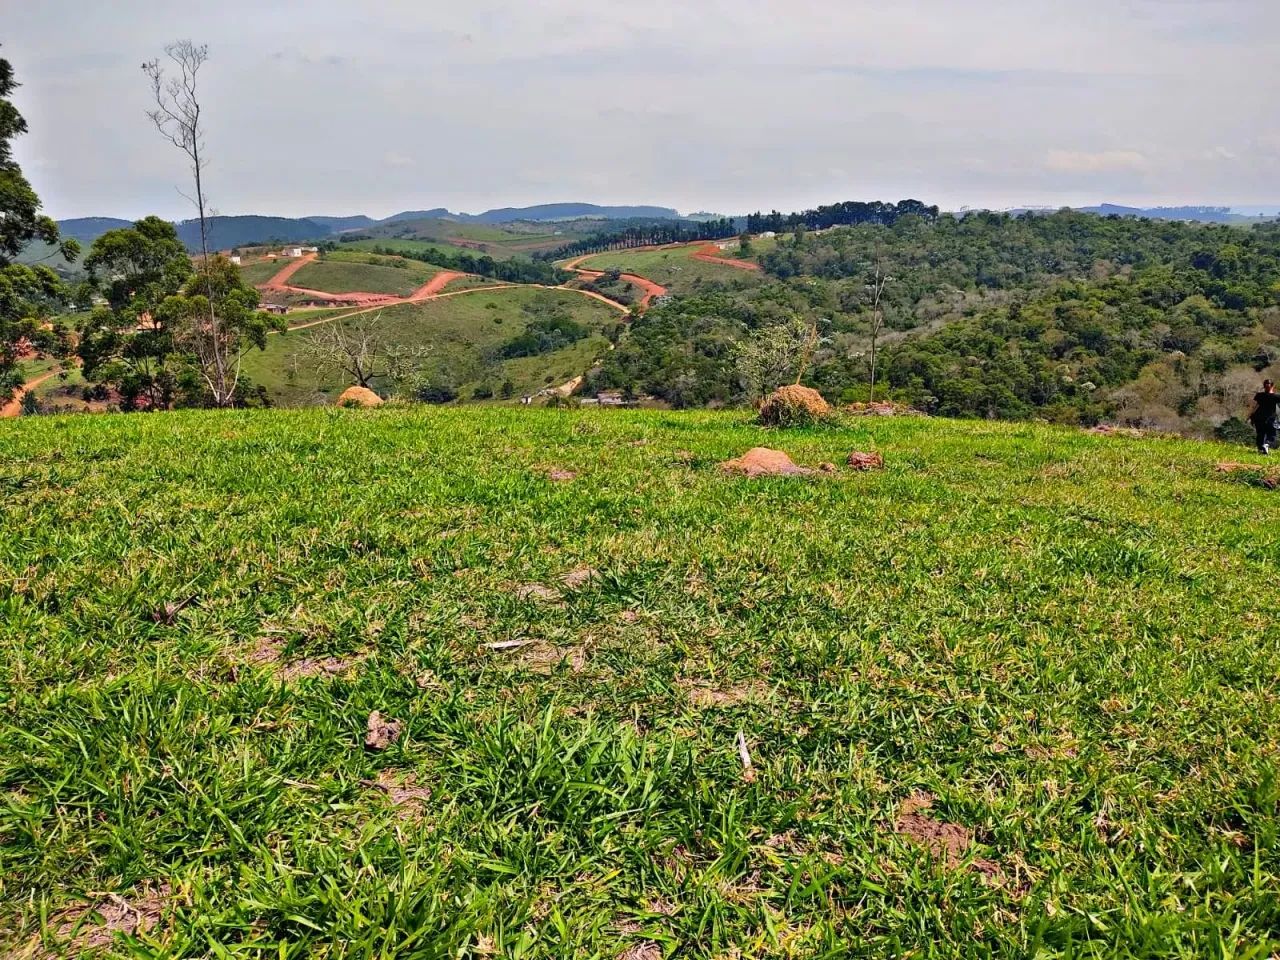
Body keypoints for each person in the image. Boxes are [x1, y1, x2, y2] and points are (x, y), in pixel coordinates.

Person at [1248, 378, 1279, 454]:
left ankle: (1260, 449)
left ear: (1264, 386)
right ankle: (1266, 444)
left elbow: (1254, 407)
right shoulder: (1277, 397)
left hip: (1258, 418)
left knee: (1260, 434)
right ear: (1273, 386)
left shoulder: (1259, 395)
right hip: (1270, 419)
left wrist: (1250, 416)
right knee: (1272, 435)